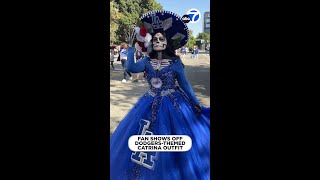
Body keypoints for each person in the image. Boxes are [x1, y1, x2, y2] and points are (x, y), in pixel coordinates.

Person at [110, 10, 210, 180]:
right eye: (154, 39)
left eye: (161, 39)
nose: (157, 41)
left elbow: (185, 85)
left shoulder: (176, 63)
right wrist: (134, 48)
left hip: (174, 105)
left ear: (167, 43)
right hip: (148, 102)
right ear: (150, 43)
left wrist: (195, 103)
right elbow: (130, 69)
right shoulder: (147, 61)